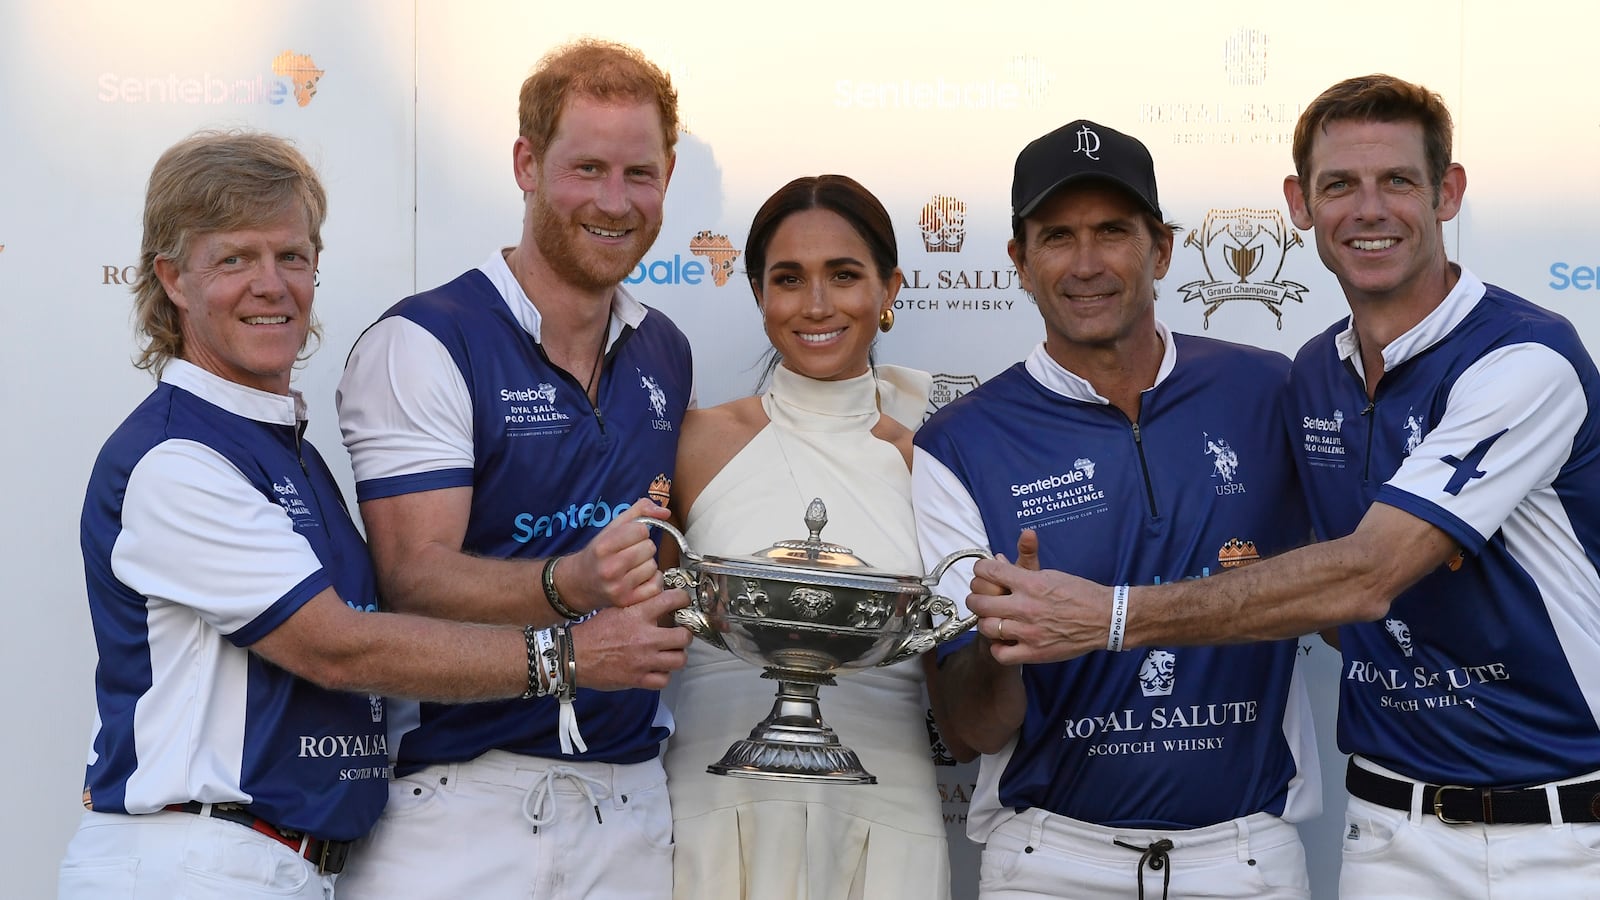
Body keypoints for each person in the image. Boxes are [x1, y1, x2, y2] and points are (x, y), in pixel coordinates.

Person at [968, 76, 1600, 898]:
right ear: (1300, 205)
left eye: (1398, 182)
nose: (1368, 210)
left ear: (1448, 194)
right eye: (1340, 185)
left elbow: (1365, 576)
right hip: (1386, 827)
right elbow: (1337, 616)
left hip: (1562, 833)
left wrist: (1112, 616)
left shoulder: (1524, 361)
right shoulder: (1310, 377)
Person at [56, 130, 684, 899]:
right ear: (172, 280)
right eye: (234, 259)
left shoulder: (284, 448)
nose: (271, 284)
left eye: (292, 256)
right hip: (198, 861)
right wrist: (571, 657)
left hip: (277, 863)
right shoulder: (177, 458)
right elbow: (338, 650)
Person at [913, 119, 1319, 898]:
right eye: (1057, 236)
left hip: (1247, 858)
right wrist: (1009, 641)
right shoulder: (959, 443)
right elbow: (969, 731)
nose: (1088, 264)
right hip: (1052, 861)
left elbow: (1352, 588)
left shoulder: (1269, 390)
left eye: (1113, 232)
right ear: (1019, 262)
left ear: (1161, 249)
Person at [332, 39, 694, 899]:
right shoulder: (425, 341)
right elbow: (413, 577)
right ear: (527, 165)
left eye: (639, 173)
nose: (614, 202)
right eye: (587, 168)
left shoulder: (665, 349)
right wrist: (573, 582)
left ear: (668, 175)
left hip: (630, 798)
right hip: (462, 796)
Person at [662, 174, 951, 900]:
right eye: (789, 279)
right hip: (713, 800)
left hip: (882, 804)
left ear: (890, 290)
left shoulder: (934, 462)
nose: (817, 305)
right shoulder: (693, 444)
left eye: (844, 276)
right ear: (759, 293)